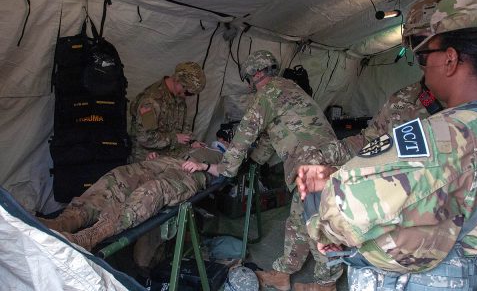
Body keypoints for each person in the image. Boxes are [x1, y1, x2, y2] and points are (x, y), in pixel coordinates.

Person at [297, 0, 477, 290]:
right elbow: (371, 142)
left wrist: (323, 206)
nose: (422, 63)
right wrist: (336, 167)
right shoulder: (408, 101)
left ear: (450, 59)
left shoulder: (448, 132)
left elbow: (347, 211)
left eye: (426, 53)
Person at [182, 50, 347, 291]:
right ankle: (282, 273)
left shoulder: (269, 93)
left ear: (256, 73)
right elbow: (272, 137)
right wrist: (254, 162)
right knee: (297, 222)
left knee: (318, 225)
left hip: (315, 165)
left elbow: (245, 133)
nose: (250, 85)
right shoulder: (289, 89)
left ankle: (327, 283)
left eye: (249, 79)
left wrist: (225, 168)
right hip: (321, 160)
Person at [38, 131, 229, 252]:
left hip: (190, 174)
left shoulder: (226, 155)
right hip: (162, 163)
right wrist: (157, 156)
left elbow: (227, 172)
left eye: (225, 140)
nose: (220, 140)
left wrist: (203, 166)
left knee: (154, 190)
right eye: (220, 138)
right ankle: (66, 221)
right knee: (118, 176)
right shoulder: (194, 143)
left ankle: (90, 236)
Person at [340, 0, 447, 158]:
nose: (420, 53)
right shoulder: (405, 99)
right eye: (416, 43)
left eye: (426, 42)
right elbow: (369, 141)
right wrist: (321, 160)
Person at [129, 61, 206, 162]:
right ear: (178, 81)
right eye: (188, 92)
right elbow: (145, 137)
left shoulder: (178, 96)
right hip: (147, 158)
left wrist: (192, 142)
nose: (187, 96)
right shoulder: (150, 101)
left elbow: (183, 127)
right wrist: (174, 138)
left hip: (170, 154)